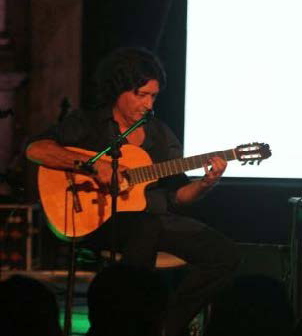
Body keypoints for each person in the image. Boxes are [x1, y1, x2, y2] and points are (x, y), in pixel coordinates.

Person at [26, 47, 239, 336]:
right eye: (141, 95)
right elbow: (36, 149)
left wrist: (204, 184)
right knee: (146, 227)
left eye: (153, 96)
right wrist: (94, 164)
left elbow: (177, 197)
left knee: (225, 254)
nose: (148, 104)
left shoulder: (160, 135)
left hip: (156, 219)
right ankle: (121, 327)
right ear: (119, 90)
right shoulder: (89, 123)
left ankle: (166, 326)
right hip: (100, 221)